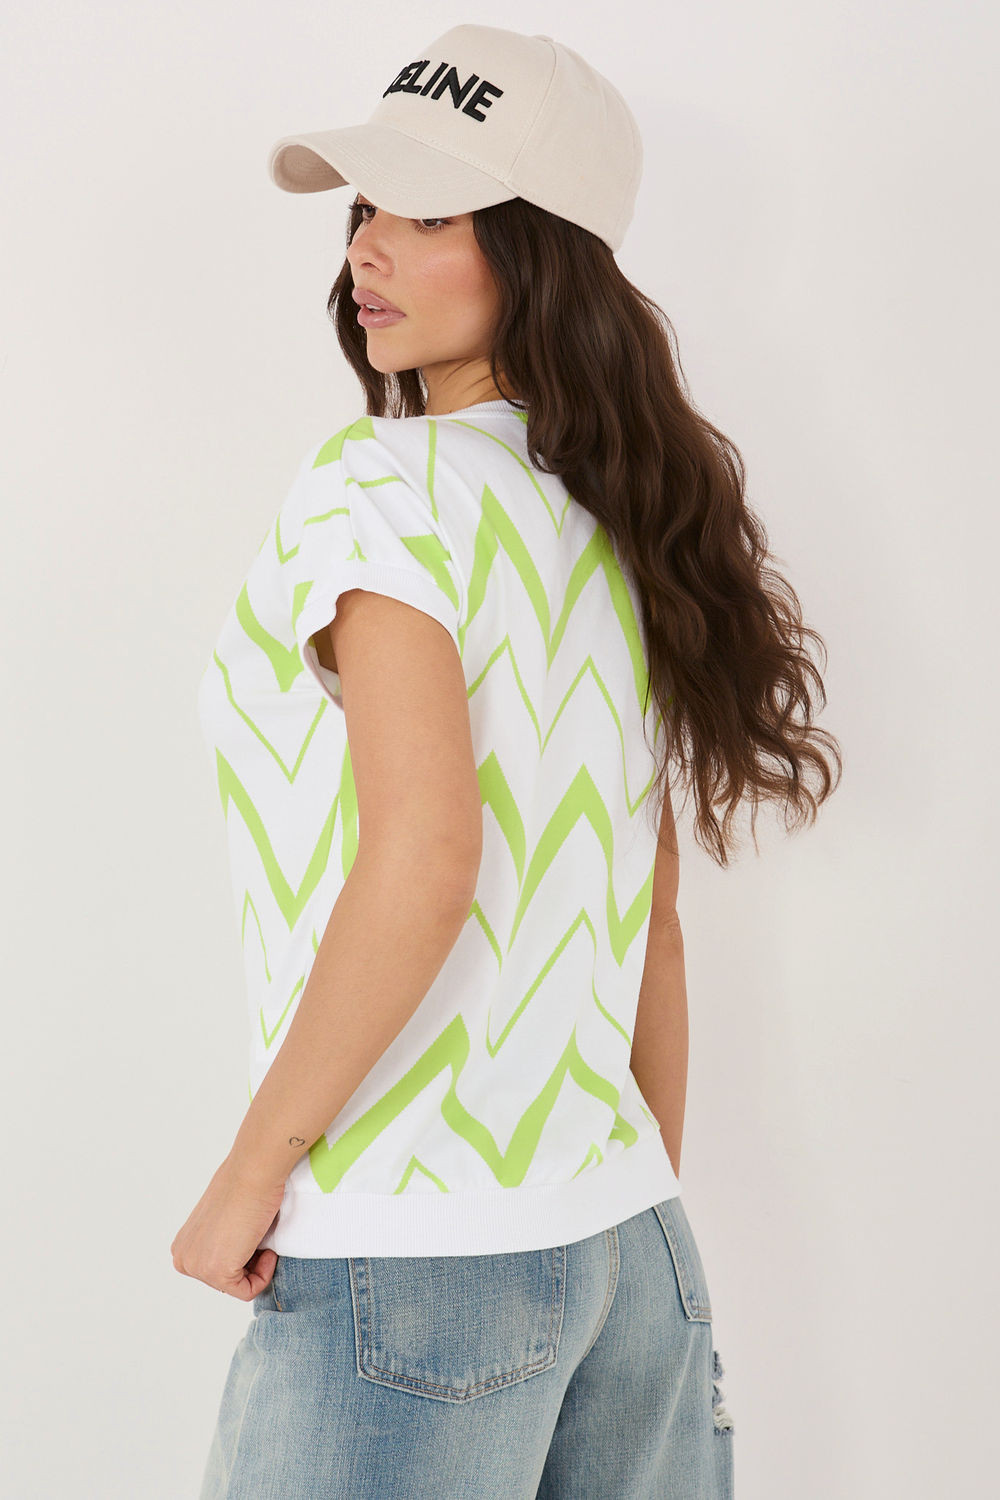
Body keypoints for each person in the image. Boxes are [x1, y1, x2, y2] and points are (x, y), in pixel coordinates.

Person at [174, 22, 842, 1500]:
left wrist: (246, 1175)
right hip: (629, 1247)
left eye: (427, 213)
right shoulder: (622, 519)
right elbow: (654, 919)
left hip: (409, 1252)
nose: (369, 246)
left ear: (543, 253)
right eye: (366, 208)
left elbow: (426, 858)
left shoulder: (379, 486)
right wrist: (614, 1200)